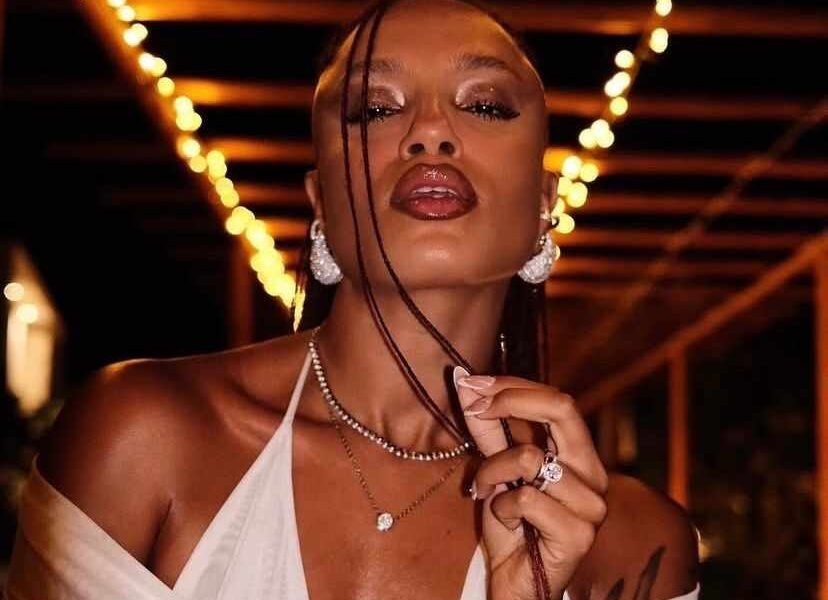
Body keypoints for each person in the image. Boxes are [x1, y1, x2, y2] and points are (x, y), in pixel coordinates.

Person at [4, 1, 700, 598]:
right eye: (376, 109)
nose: (430, 131)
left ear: (544, 204)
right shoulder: (144, 440)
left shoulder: (632, 544)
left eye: (484, 104)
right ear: (321, 203)